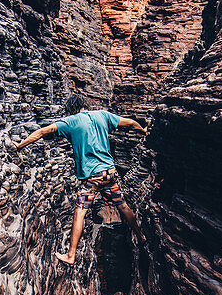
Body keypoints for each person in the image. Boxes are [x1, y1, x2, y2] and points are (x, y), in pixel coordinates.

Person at [13, 94, 145, 266]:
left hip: (92, 178)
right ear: (84, 104)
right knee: (123, 205)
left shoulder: (70, 122)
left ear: (71, 108)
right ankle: (140, 236)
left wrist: (20, 145)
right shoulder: (102, 115)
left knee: (80, 212)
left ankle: (71, 255)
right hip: (110, 173)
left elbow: (42, 131)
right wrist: (144, 131)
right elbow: (131, 123)